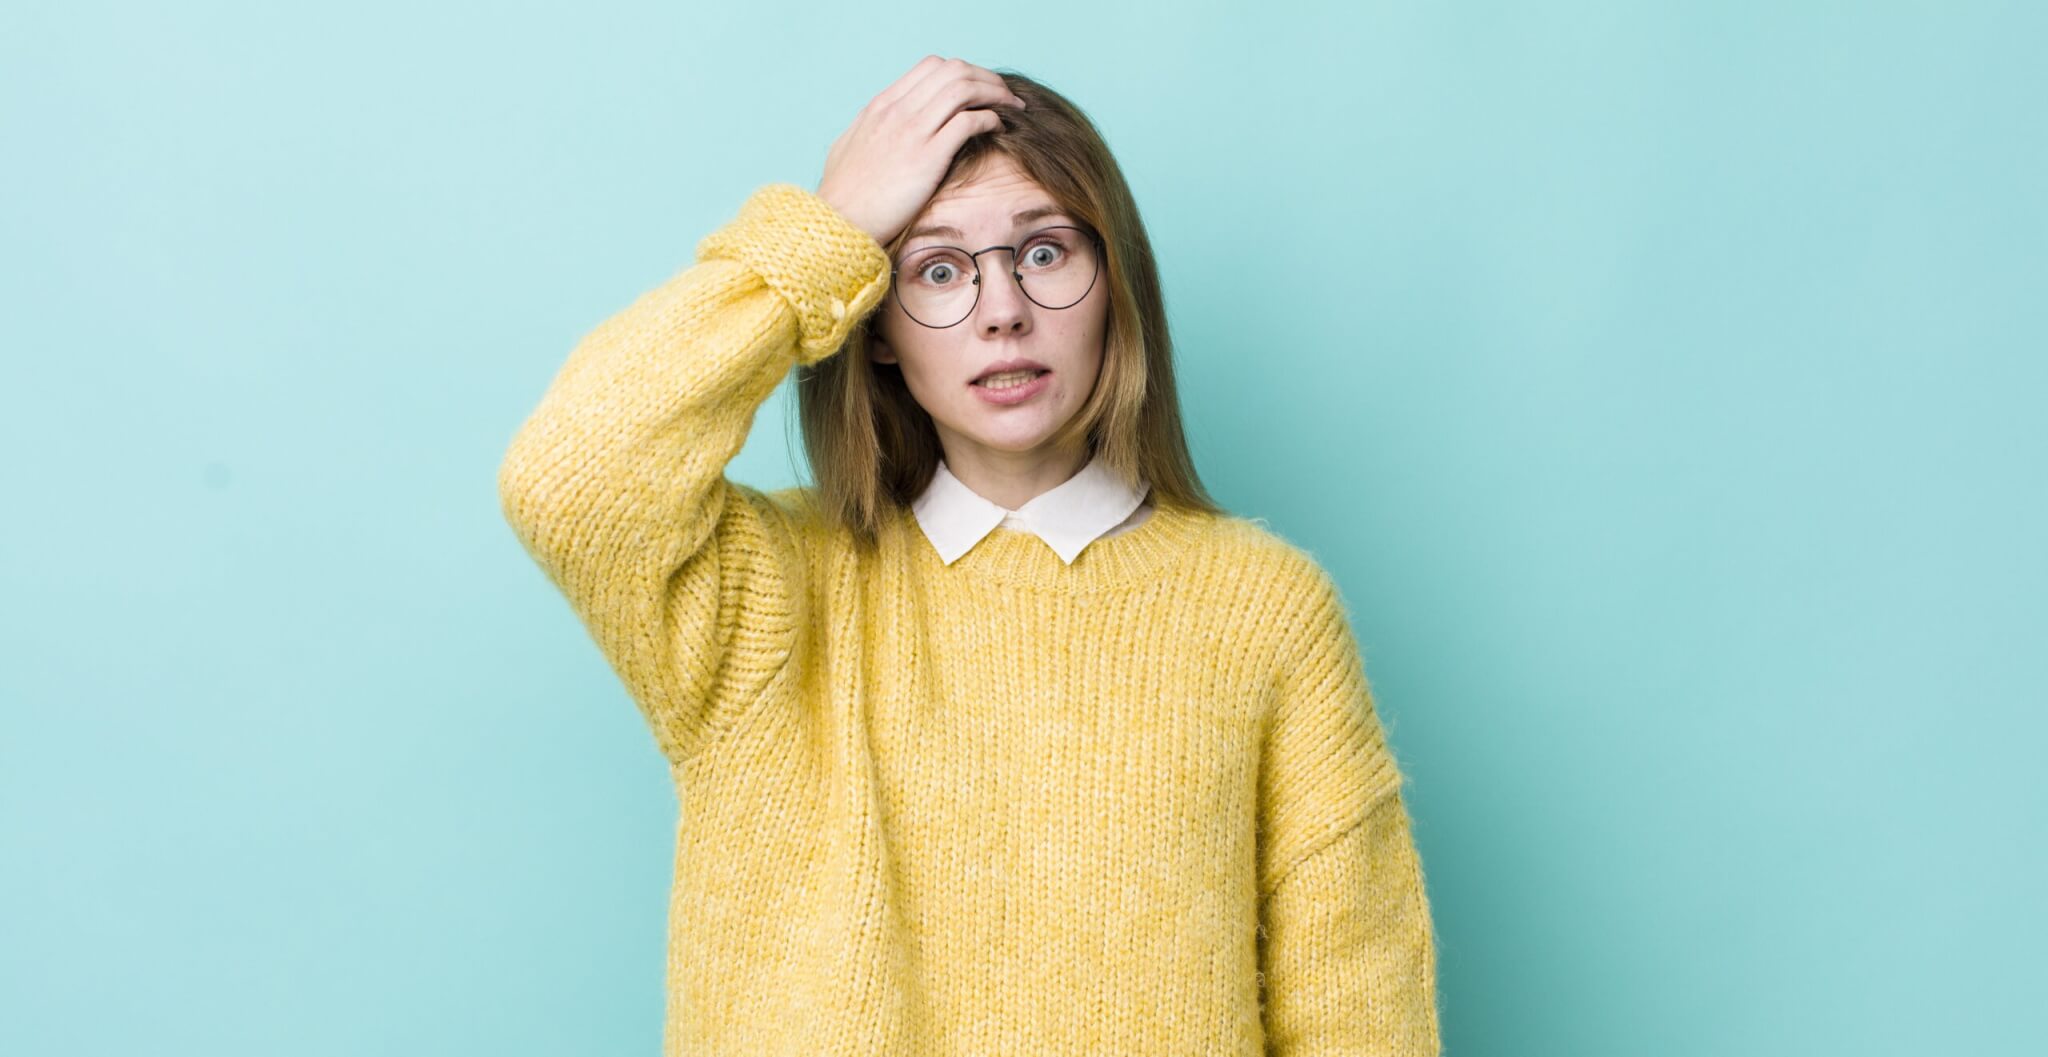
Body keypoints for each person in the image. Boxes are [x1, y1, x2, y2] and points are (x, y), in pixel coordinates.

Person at [498, 55, 1442, 1057]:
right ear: (876, 331)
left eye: (1043, 253)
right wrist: (825, 233)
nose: (1001, 310)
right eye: (936, 271)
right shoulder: (770, 595)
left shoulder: (1262, 610)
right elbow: (570, 475)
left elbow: (1357, 1012)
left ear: (1114, 285)